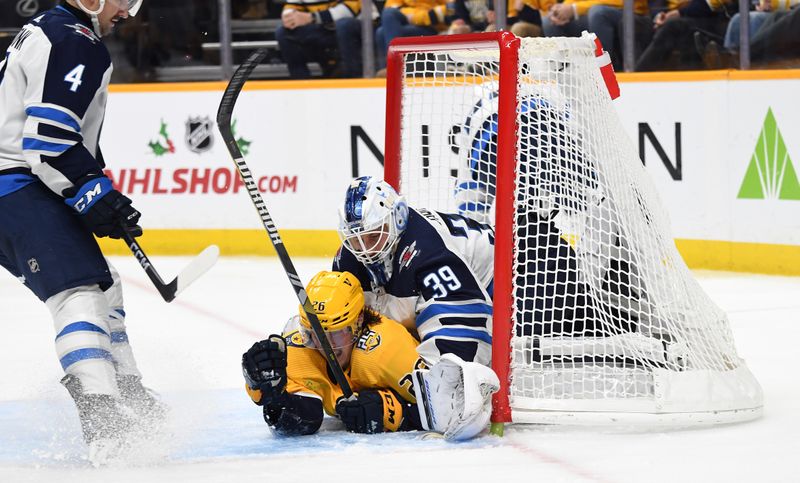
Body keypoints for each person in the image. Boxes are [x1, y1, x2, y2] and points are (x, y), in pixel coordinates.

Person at [0, 0, 162, 465]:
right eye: (123, 1)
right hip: (17, 184)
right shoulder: (77, 39)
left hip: (20, 184)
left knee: (103, 283)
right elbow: (48, 141)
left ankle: (129, 392)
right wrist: (93, 194)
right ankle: (103, 417)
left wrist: (96, 187)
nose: (129, 12)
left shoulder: (47, 28)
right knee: (78, 292)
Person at [242, 270, 499, 439]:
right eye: (315, 333)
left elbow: (456, 408)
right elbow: (305, 419)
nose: (325, 345)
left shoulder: (384, 350)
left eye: (337, 332)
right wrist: (269, 393)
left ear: (358, 321)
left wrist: (395, 414)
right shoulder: (300, 350)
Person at [543, 0, 650, 68]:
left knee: (598, 13)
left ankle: (602, 72)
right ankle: (562, 77)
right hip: (591, 11)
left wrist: (575, 8)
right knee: (549, 22)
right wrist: (561, 9)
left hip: (629, 12)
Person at [276, 0, 368, 79]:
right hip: (321, 27)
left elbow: (350, 9)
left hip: (359, 27)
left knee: (344, 25)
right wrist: (290, 17)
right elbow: (292, 6)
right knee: (283, 33)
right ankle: (302, 85)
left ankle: (354, 80)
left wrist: (313, 17)